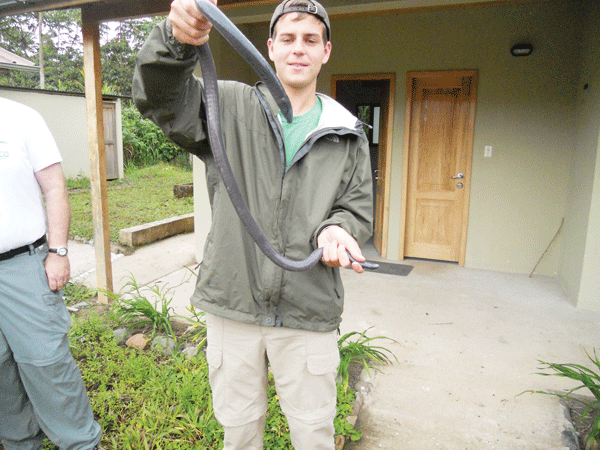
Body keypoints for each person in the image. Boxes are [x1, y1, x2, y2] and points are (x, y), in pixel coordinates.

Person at [133, 0, 373, 448]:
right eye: (287, 38)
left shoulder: (347, 131)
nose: (298, 49)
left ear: (326, 51)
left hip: (308, 309)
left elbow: (354, 209)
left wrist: (337, 229)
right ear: (269, 48)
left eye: (310, 40)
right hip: (234, 303)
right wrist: (175, 40)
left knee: (314, 432)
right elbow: (159, 96)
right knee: (239, 431)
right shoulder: (227, 104)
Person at [0, 97, 102, 450]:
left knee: (47, 364)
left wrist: (58, 252)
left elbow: (55, 187)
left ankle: (79, 443)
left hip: (22, 265)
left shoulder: (20, 118)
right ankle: (19, 442)